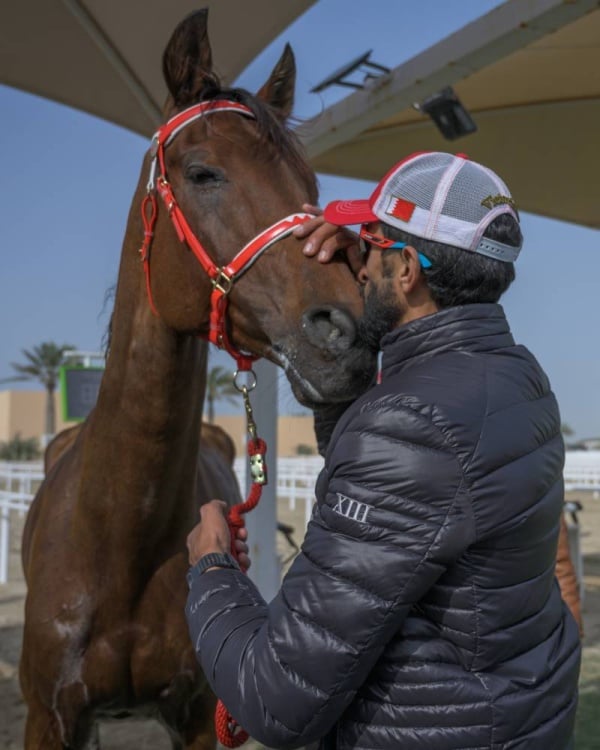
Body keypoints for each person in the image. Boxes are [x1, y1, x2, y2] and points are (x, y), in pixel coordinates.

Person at [185, 152, 581, 750]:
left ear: (407, 272)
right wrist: (361, 325)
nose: (357, 266)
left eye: (368, 244)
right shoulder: (519, 380)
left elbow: (275, 699)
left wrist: (211, 568)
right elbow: (410, 497)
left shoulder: (408, 425)